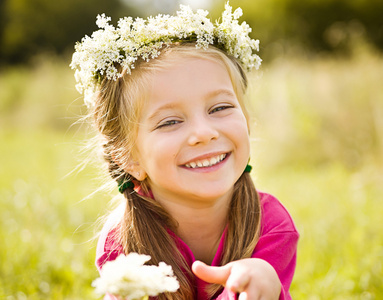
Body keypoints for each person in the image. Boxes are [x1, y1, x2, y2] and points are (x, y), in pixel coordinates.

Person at [71, 3, 299, 300]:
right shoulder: (123, 243)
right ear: (129, 157)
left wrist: (263, 281)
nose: (204, 133)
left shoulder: (271, 225)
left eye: (220, 108)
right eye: (170, 122)